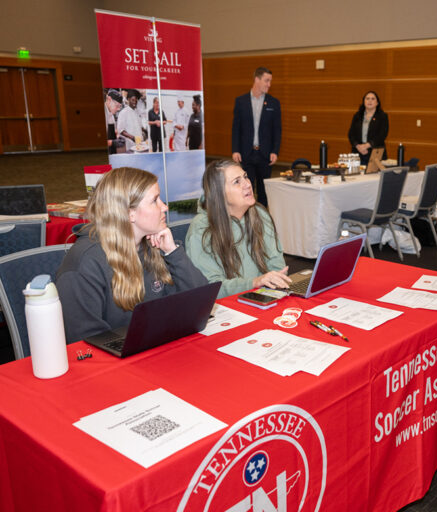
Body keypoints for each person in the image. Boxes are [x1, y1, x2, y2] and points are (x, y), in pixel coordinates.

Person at [56, 167, 208, 343]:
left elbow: (200, 302)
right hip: (116, 355)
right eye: (155, 201)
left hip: (153, 344)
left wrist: (172, 252)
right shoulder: (84, 263)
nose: (165, 207)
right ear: (129, 213)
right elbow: (86, 340)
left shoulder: (152, 245)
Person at [185, 160, 291, 298]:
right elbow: (211, 287)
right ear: (219, 193)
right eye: (237, 182)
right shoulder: (201, 228)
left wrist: (276, 279)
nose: (247, 184)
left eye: (245, 177)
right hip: (225, 306)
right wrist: (254, 283)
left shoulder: (260, 214)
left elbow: (276, 264)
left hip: (263, 296)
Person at [232, 67, 282, 207]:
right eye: (266, 80)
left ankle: (262, 218)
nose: (269, 84)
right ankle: (249, 217)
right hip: (246, 154)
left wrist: (275, 151)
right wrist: (235, 150)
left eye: (270, 81)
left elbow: (277, 130)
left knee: (263, 192)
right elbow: (236, 128)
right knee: (246, 190)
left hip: (265, 155)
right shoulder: (241, 101)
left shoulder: (274, 103)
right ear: (257, 80)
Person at [347, 91, 389, 166]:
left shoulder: (382, 116)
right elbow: (351, 134)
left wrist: (366, 145)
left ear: (377, 103)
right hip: (358, 152)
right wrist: (358, 146)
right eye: (367, 98)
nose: (370, 101)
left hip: (375, 152)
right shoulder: (357, 116)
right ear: (364, 101)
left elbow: (382, 135)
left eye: (373, 99)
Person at [104, 89, 123, 154]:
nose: (118, 109)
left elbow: (113, 132)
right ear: (109, 100)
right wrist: (112, 142)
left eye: (120, 106)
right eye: (117, 106)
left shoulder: (111, 115)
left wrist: (118, 137)